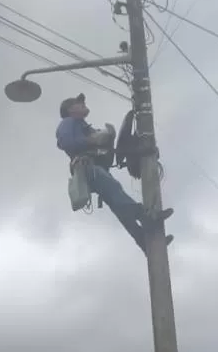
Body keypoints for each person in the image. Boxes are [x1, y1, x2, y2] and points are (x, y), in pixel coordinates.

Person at [55, 93, 174, 253]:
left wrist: (108, 140)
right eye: (78, 103)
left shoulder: (83, 126)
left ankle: (144, 242)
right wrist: (93, 140)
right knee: (115, 190)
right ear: (70, 110)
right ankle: (146, 217)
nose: (83, 104)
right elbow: (66, 142)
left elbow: (105, 157)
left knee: (119, 206)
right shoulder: (68, 123)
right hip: (87, 168)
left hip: (96, 169)